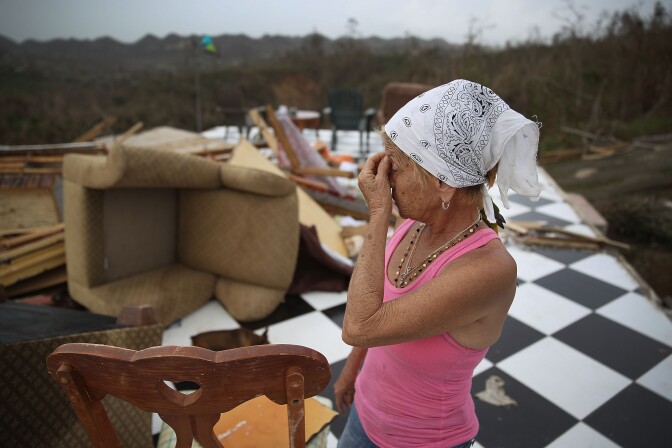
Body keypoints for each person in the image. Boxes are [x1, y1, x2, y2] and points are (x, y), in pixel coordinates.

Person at [335, 79, 542, 448]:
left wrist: (379, 211)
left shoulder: (488, 270)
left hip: (423, 440)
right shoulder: (413, 222)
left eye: (395, 165)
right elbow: (379, 309)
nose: (385, 177)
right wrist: (353, 370)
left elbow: (361, 325)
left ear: (444, 184)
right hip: (364, 419)